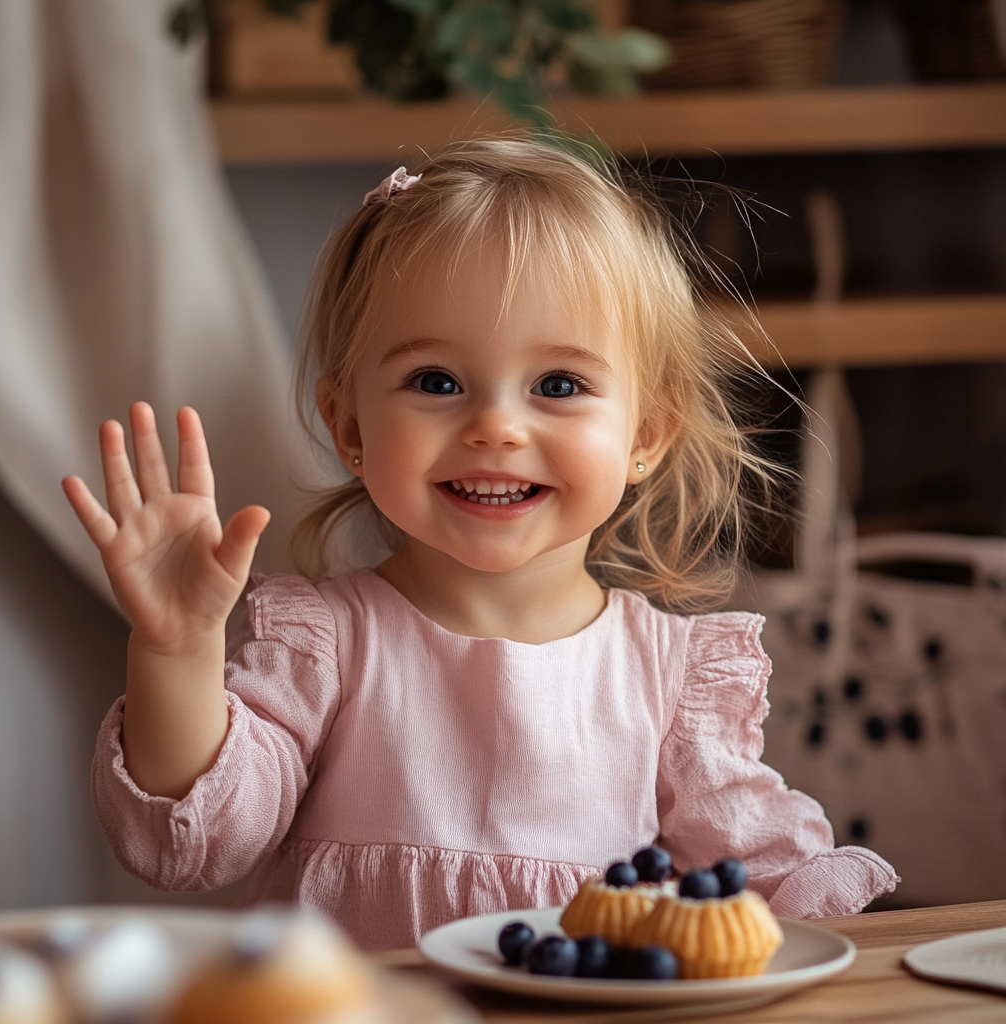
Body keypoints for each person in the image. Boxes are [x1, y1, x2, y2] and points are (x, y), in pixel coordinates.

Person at [64, 139, 896, 951]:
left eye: (558, 386)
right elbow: (190, 846)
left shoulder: (671, 681)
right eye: (437, 382)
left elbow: (772, 892)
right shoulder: (322, 646)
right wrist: (176, 650)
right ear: (350, 426)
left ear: (645, 435)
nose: (496, 426)